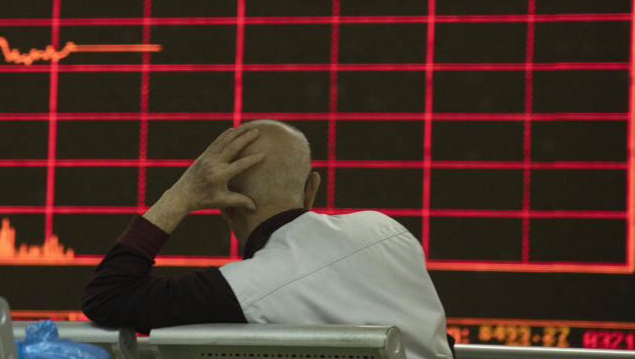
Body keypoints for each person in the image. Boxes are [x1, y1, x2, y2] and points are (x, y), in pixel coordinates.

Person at [81, 120, 453, 359]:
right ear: (312, 189)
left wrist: (181, 194)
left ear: (224, 205)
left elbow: (108, 296)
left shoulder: (244, 291)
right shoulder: (390, 232)